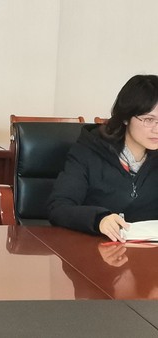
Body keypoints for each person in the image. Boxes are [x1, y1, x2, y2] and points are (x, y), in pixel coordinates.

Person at [48, 74, 158, 242]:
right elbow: (58, 207)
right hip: (96, 249)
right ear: (126, 117)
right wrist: (99, 220)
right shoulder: (89, 151)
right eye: (149, 120)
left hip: (148, 253)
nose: (156, 129)